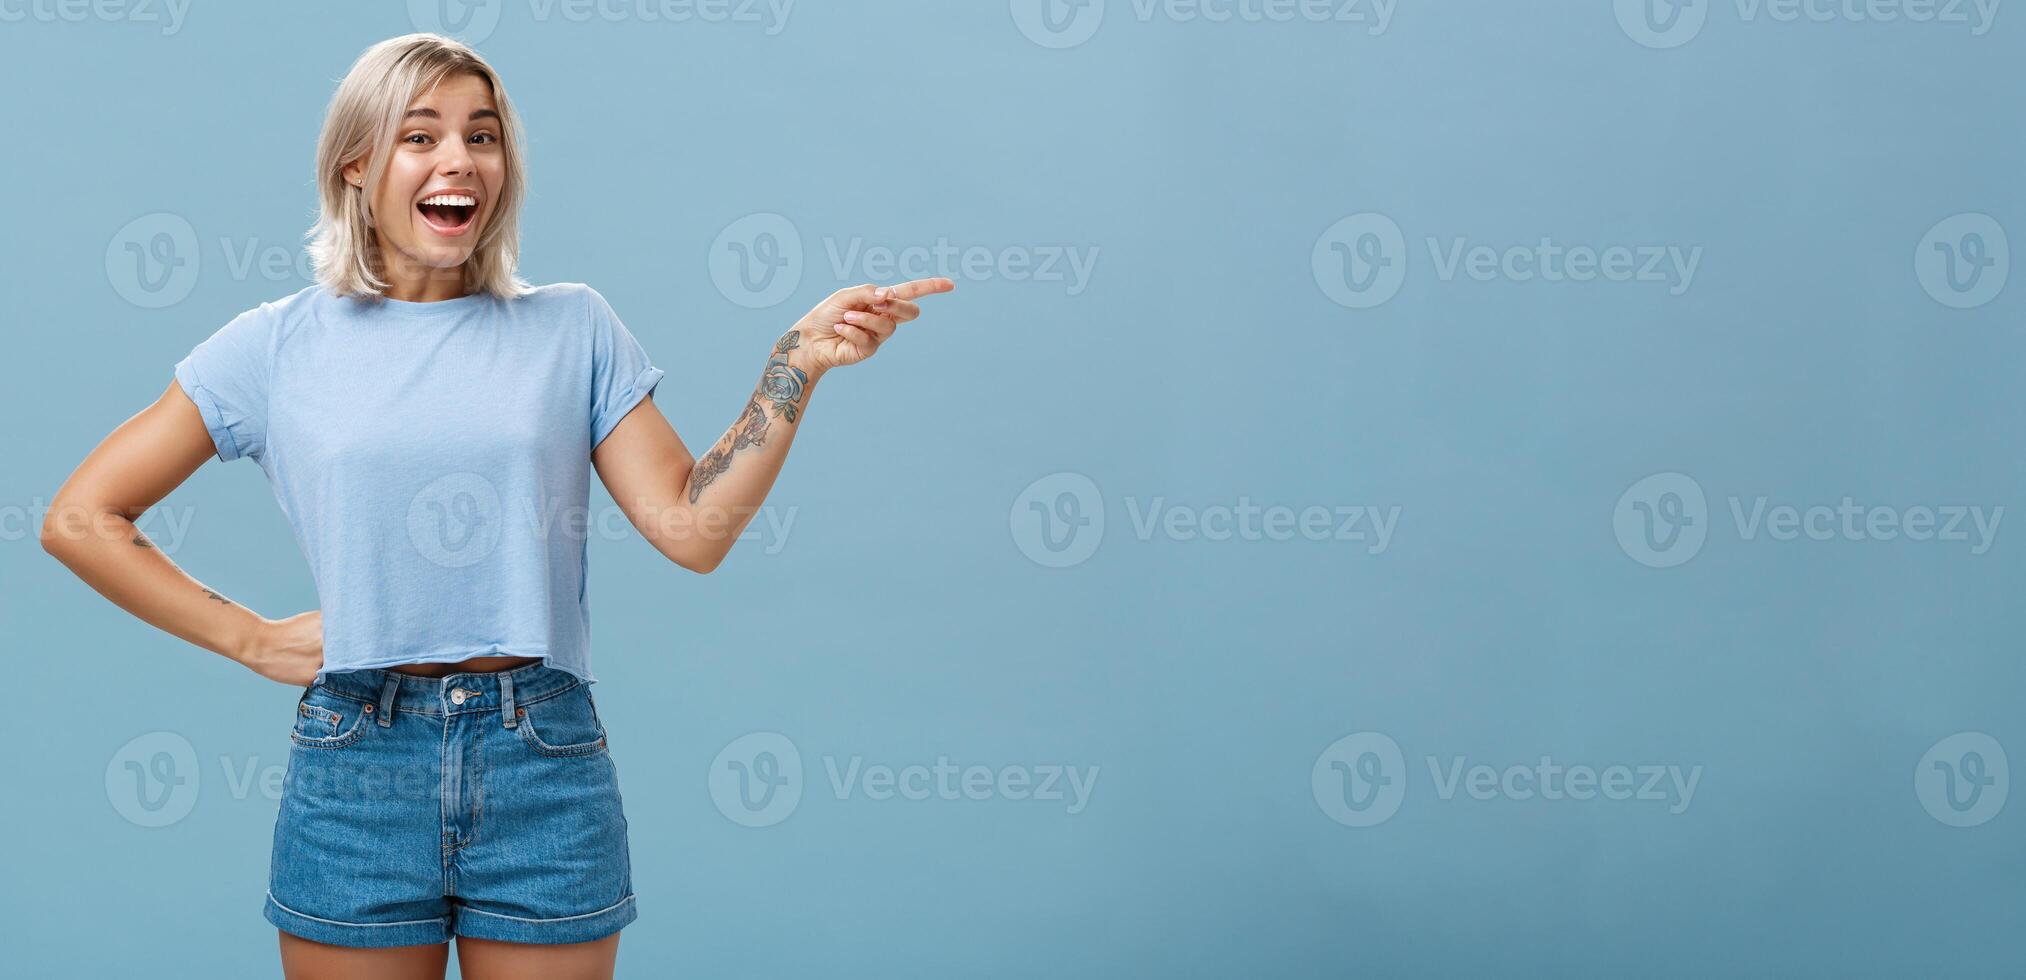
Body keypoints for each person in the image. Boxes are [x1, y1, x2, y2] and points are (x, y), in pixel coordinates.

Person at [39, 32, 953, 980]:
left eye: (482, 136)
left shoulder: (572, 327)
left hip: (541, 759)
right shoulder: (274, 347)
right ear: (356, 164)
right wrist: (249, 638)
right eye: (419, 135)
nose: (458, 160)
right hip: (357, 760)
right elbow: (80, 517)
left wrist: (792, 369)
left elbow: (693, 528)